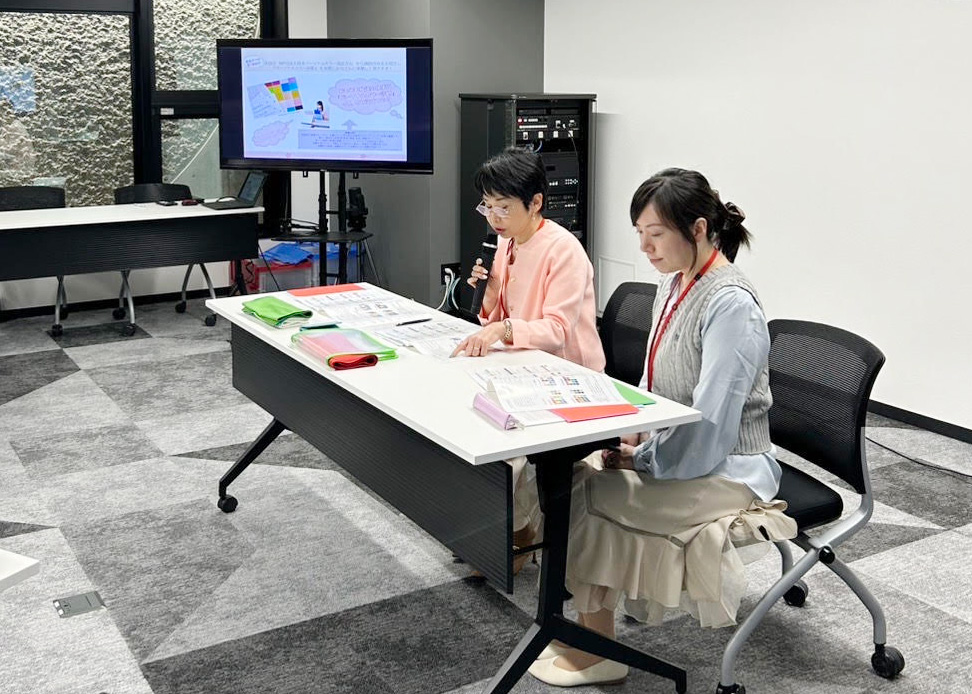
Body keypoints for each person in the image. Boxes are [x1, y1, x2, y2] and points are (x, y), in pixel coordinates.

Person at [528, 168, 797, 688]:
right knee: (571, 478)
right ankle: (586, 633)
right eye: (639, 234)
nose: (645, 247)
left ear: (698, 229)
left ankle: (599, 651)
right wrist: (631, 433)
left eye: (655, 234)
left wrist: (643, 458)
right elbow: (653, 379)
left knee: (588, 496)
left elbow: (712, 426)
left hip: (731, 468)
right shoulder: (674, 282)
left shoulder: (731, 304)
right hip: (676, 448)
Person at [453, 146, 605, 571]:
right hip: (524, 368)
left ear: (535, 202)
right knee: (469, 417)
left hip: (570, 379)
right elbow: (498, 318)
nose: (494, 217)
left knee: (504, 441)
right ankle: (508, 528)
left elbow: (556, 331)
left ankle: (518, 535)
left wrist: (500, 329)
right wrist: (488, 295)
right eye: (487, 206)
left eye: (503, 207)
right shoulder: (506, 243)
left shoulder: (563, 250)